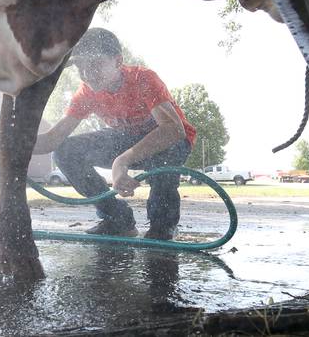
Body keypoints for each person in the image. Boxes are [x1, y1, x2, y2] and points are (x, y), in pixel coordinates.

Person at [33, 28, 196, 239]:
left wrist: (123, 161)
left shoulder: (143, 79)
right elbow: (53, 139)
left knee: (164, 158)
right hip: (125, 139)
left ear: (118, 61)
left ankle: (162, 226)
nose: (86, 74)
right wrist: (12, 145)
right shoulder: (87, 92)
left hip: (171, 139)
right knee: (66, 151)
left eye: (95, 64)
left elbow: (173, 130)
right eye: (80, 67)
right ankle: (117, 219)